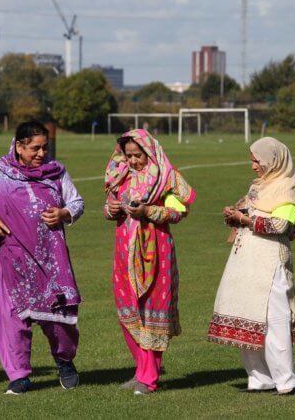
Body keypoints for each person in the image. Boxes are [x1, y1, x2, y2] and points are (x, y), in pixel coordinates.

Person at [0, 121, 85, 395]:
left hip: (51, 262)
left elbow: (77, 202)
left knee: (59, 321)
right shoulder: (0, 173)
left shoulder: (56, 173)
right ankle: (18, 375)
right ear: (19, 146)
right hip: (14, 261)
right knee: (13, 321)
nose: (41, 153)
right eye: (35, 148)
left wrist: (63, 214)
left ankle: (65, 361)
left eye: (45, 147)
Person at [103, 129, 196, 395]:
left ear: (149, 152)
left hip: (155, 252)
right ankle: (140, 370)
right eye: (128, 155)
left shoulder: (165, 178)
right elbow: (109, 204)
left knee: (153, 311)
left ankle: (149, 377)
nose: (132, 161)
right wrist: (110, 210)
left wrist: (148, 211)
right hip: (124, 252)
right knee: (128, 309)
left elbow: (179, 211)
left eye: (137, 156)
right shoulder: (120, 176)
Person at [207, 136, 295, 395]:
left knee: (274, 321)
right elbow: (252, 215)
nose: (253, 166)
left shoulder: (286, 189)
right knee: (246, 314)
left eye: (257, 160)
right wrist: (235, 216)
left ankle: (285, 379)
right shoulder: (258, 187)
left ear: (273, 160)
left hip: (270, 262)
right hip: (246, 261)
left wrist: (245, 219)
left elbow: (281, 226)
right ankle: (259, 377)